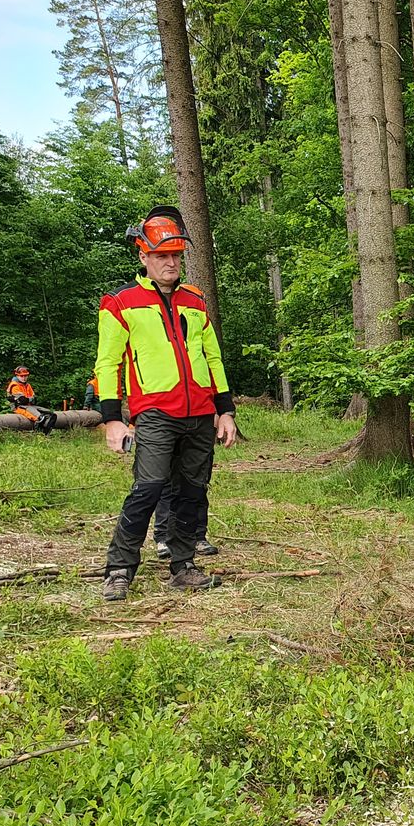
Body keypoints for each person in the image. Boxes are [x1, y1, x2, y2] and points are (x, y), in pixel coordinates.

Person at [94, 205, 237, 600]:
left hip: (200, 414)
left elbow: (213, 357)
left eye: (175, 255)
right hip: (154, 412)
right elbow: (107, 364)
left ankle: (183, 564)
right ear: (144, 256)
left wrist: (225, 410)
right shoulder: (120, 303)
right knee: (149, 488)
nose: (171, 263)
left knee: (193, 489)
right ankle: (119, 568)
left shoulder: (194, 300)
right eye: (162, 256)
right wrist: (112, 419)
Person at [5, 367, 57, 433]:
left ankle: (46, 434)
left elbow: (34, 399)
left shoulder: (27, 385)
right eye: (21, 376)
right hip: (19, 407)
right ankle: (38, 433)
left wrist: (28, 399)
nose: (24, 378)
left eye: (25, 376)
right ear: (17, 375)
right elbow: (23, 401)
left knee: (52, 415)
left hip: (29, 406)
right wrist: (29, 399)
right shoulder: (14, 385)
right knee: (41, 418)